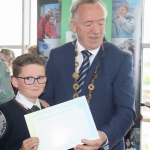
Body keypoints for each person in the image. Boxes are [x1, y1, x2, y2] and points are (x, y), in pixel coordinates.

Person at [39, 0, 135, 149]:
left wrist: (104, 136)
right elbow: (47, 99)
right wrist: (42, 105)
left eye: (101, 23)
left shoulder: (121, 59)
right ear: (74, 26)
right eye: (88, 24)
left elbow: (127, 111)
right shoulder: (57, 56)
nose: (96, 30)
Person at [0, 54, 47, 149]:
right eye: (28, 78)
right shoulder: (3, 114)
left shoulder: (50, 110)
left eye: (40, 78)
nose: (36, 84)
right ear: (15, 82)